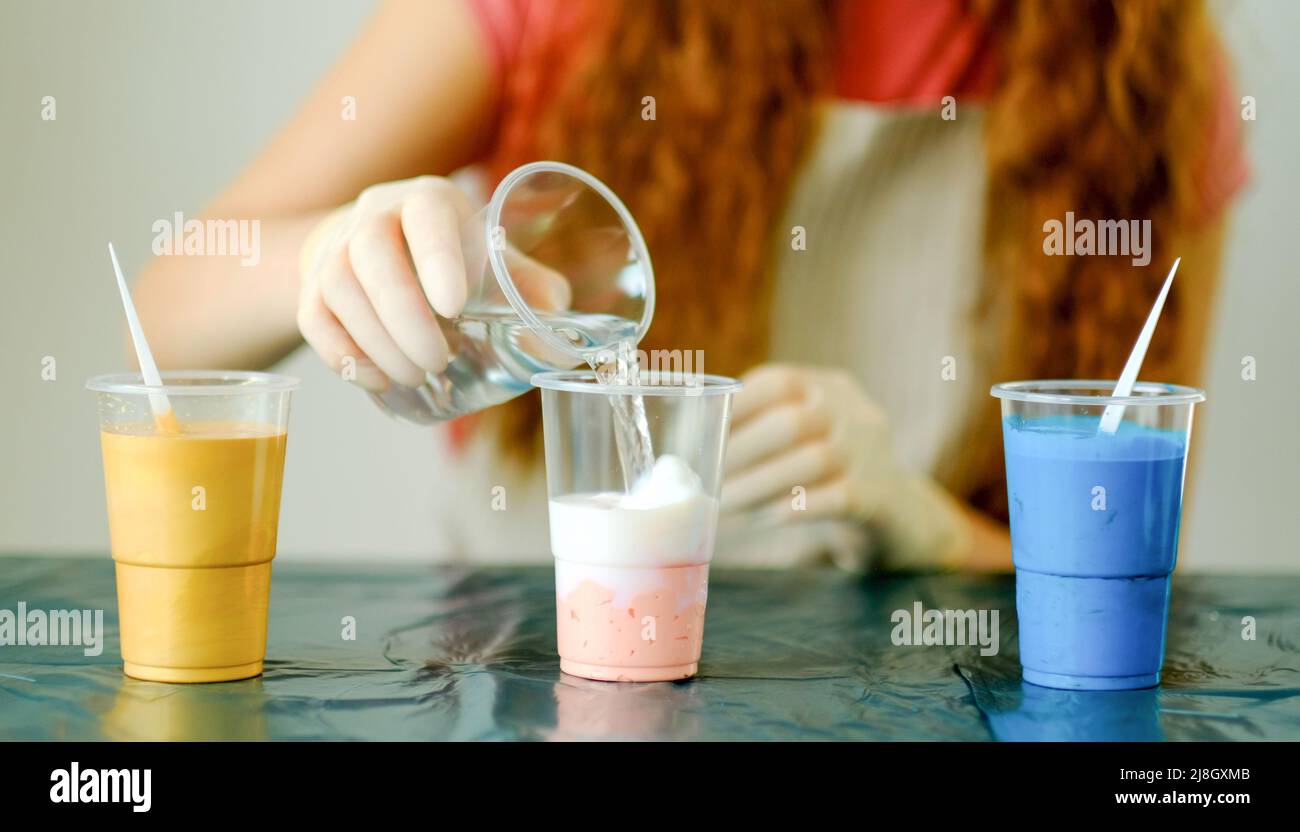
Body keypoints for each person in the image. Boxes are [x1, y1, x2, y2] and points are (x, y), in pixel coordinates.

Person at [133, 0, 1247, 570]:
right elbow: (169, 307)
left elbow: (1118, 582)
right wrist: (328, 252)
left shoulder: (1136, 80)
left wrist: (925, 523)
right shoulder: (565, 14)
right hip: (512, 686)